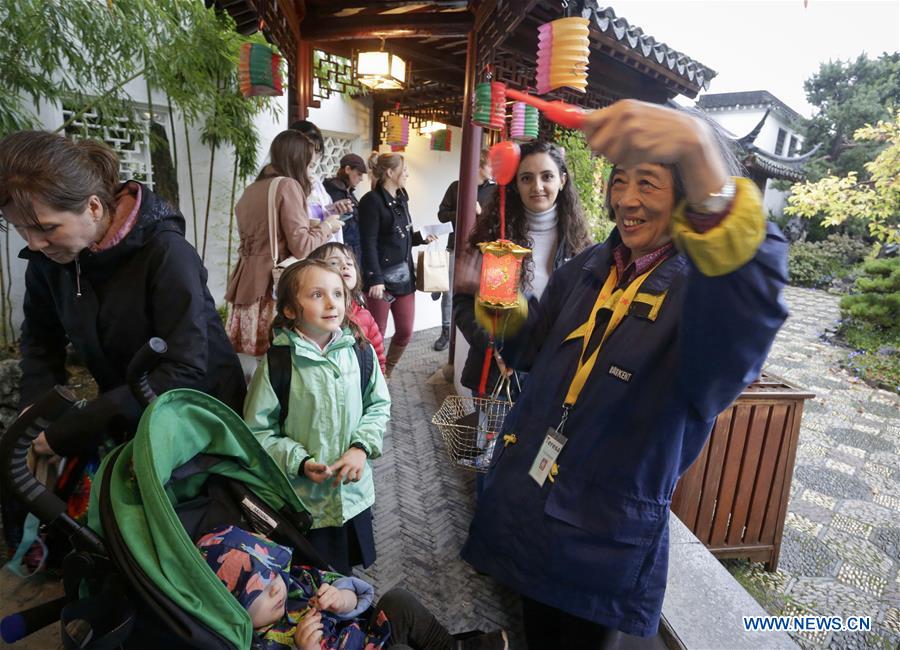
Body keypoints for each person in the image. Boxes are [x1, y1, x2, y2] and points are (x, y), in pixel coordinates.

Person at [461, 100, 789, 647]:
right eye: (619, 180)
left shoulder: (702, 293)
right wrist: (498, 301)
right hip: (531, 509)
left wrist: (704, 161)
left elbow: (747, 299)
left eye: (649, 183)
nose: (626, 200)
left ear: (689, 194)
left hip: (601, 538)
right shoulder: (591, 265)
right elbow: (527, 350)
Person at [0, 131, 245, 458]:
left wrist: (77, 428)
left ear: (93, 207)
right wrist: (36, 409)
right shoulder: (49, 259)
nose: (33, 243)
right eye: (20, 228)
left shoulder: (165, 253)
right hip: (128, 408)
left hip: (201, 413)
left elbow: (184, 369)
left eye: (46, 228)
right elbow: (41, 341)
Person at [244, 259, 390, 575]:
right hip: (302, 500)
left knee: (345, 576)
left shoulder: (360, 352)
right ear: (290, 310)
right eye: (316, 295)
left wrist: (360, 448)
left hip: (351, 494)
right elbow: (257, 432)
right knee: (312, 577)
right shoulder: (278, 365)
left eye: (337, 293)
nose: (331, 303)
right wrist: (298, 461)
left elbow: (378, 406)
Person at [196, 525, 508, 650]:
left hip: (368, 637)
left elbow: (356, 595)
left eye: (273, 574)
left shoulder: (297, 585)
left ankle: (451, 647)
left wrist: (341, 599)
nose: (276, 588)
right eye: (259, 592)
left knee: (397, 600)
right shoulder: (256, 643)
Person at [454, 141, 591, 400]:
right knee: (490, 442)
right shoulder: (493, 237)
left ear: (562, 180)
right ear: (515, 184)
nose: (537, 187)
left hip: (553, 378)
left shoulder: (580, 246)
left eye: (547, 176)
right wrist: (492, 346)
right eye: (526, 178)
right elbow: (462, 304)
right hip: (497, 374)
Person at [225, 130, 344, 375]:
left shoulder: (253, 188)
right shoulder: (288, 185)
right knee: (282, 364)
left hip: (247, 283)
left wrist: (308, 224)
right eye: (310, 165)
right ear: (297, 160)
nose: (311, 171)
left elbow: (266, 233)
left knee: (261, 366)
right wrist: (327, 227)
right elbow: (300, 246)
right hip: (273, 285)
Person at [357, 153, 437, 378]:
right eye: (405, 170)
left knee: (405, 331)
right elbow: (368, 242)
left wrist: (422, 238)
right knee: (377, 334)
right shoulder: (371, 201)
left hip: (404, 279)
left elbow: (402, 235)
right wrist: (374, 278)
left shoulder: (401, 199)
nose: (408, 174)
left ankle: (386, 372)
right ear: (391, 173)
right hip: (380, 282)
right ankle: (372, 378)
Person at [432, 150, 497, 352]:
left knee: (476, 293)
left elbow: (497, 222)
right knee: (449, 292)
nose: (493, 170)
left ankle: (472, 334)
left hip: (481, 251)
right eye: (490, 166)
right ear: (479, 166)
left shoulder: (495, 191)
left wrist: (480, 212)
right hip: (455, 246)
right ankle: (445, 332)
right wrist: (464, 210)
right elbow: (442, 215)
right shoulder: (456, 187)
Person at [307, 242, 387, 373]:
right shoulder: (312, 314)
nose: (345, 266)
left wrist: (381, 376)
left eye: (349, 264)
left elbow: (377, 352)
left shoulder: (364, 315)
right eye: (333, 263)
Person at [290, 120, 352, 241]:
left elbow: (321, 212)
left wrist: (333, 209)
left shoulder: (316, 182)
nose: (313, 156)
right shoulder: (286, 183)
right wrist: (327, 225)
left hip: (319, 245)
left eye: (317, 150)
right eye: (309, 148)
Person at [324, 153, 368, 263]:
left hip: (351, 249)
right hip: (341, 250)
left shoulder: (347, 192)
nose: (361, 179)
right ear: (348, 169)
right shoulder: (334, 190)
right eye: (358, 174)